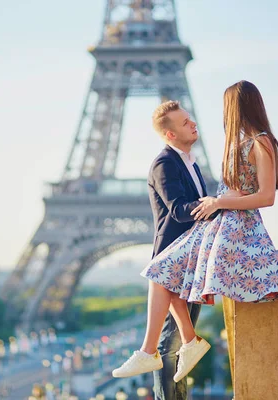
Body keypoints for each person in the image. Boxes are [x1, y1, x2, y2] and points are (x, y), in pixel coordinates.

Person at [113, 80, 278, 393]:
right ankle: (176, 345)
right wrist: (221, 201)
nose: (196, 121)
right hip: (215, 226)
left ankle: (153, 350)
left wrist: (220, 201)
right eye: (185, 121)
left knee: (158, 271)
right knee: (159, 272)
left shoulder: (258, 142)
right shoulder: (228, 146)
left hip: (229, 227)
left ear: (236, 108)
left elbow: (264, 196)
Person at [111, 99, 213, 399]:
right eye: (184, 122)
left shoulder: (189, 163)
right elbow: (180, 210)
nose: (192, 124)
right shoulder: (165, 163)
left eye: (190, 119)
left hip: (190, 258)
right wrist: (216, 205)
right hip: (173, 256)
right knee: (168, 345)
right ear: (169, 134)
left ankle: (179, 346)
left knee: (177, 345)